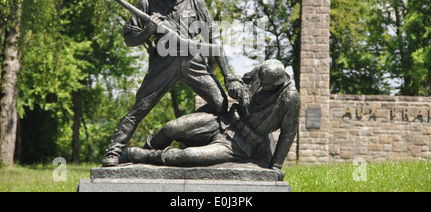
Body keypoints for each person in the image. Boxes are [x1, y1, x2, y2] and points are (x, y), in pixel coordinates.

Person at [102, 0, 242, 167]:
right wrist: (148, 31)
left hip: (193, 60)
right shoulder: (147, 1)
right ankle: (113, 151)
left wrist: (228, 75)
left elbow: (213, 39)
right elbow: (129, 39)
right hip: (164, 62)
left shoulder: (194, 0)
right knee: (141, 106)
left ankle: (193, 136)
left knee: (221, 104)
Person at [123, 59, 300, 180]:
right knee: (172, 127)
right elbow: (241, 81)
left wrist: (276, 167)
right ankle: (144, 150)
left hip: (240, 145)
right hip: (224, 121)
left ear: (277, 84)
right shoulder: (262, 72)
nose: (260, 85)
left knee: (188, 155)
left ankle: (145, 157)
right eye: (260, 80)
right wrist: (236, 86)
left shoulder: (289, 98)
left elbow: (288, 133)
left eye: (265, 84)